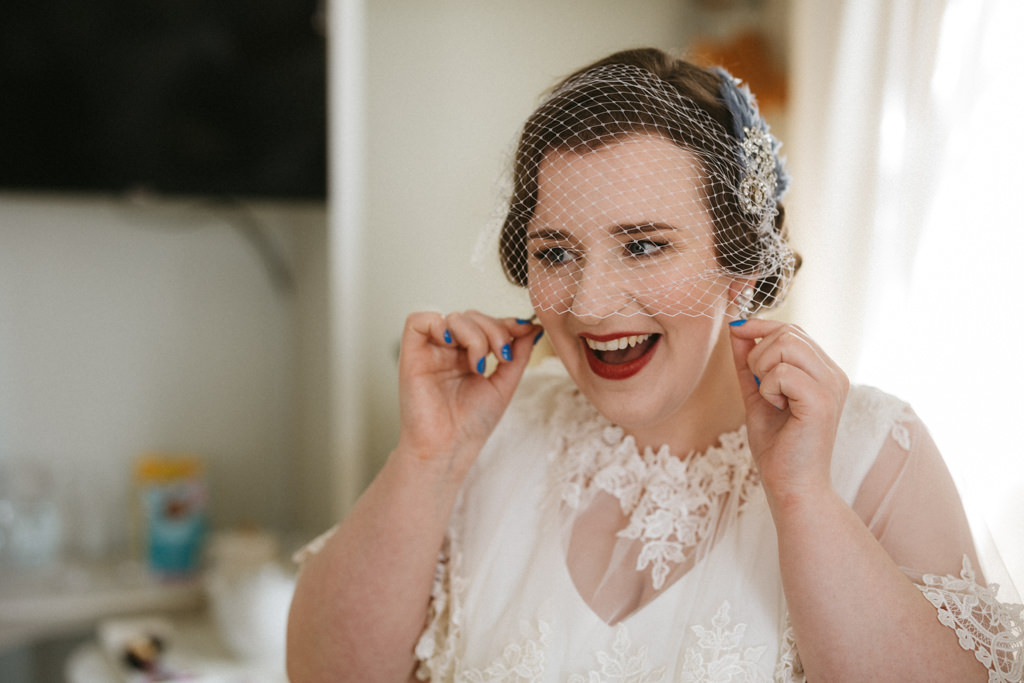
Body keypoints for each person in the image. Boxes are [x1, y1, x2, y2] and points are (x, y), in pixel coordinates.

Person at [286, 48, 1023, 682]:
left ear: (740, 264)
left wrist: (801, 498)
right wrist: (429, 457)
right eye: (555, 252)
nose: (591, 303)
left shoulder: (873, 451)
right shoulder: (492, 437)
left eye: (643, 244)